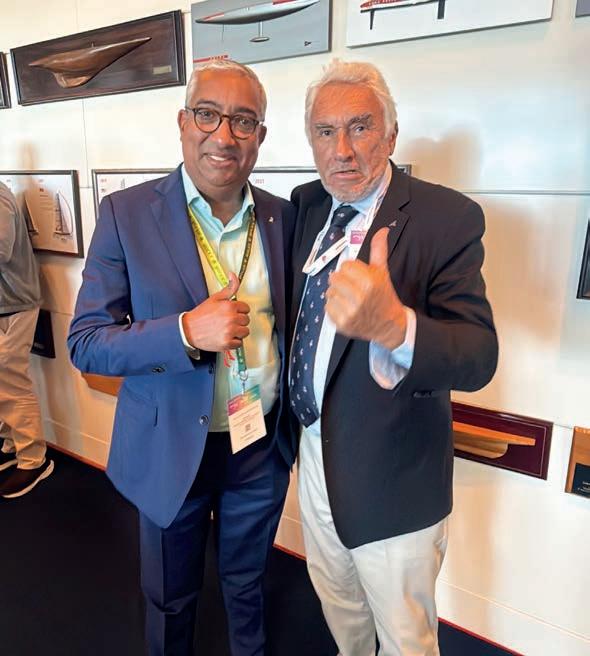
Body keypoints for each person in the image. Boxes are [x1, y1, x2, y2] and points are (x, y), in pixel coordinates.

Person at [68, 60, 297, 656]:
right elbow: (86, 341)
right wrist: (184, 333)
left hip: (257, 447)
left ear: (260, 136)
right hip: (170, 447)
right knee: (170, 597)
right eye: (208, 114)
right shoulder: (126, 214)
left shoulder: (283, 217)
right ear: (182, 122)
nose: (224, 135)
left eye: (243, 121)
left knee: (248, 585)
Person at [289, 59, 498, 656]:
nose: (342, 150)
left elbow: (478, 354)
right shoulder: (308, 206)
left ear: (391, 135)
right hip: (312, 456)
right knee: (341, 611)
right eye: (325, 131)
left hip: (394, 479)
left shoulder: (445, 218)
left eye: (360, 127)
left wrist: (397, 327)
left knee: (406, 638)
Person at [0, 182, 54, 498]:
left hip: (15, 304)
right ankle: (11, 445)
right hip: (5, 304)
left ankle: (34, 460)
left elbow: (1, 250)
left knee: (11, 381)